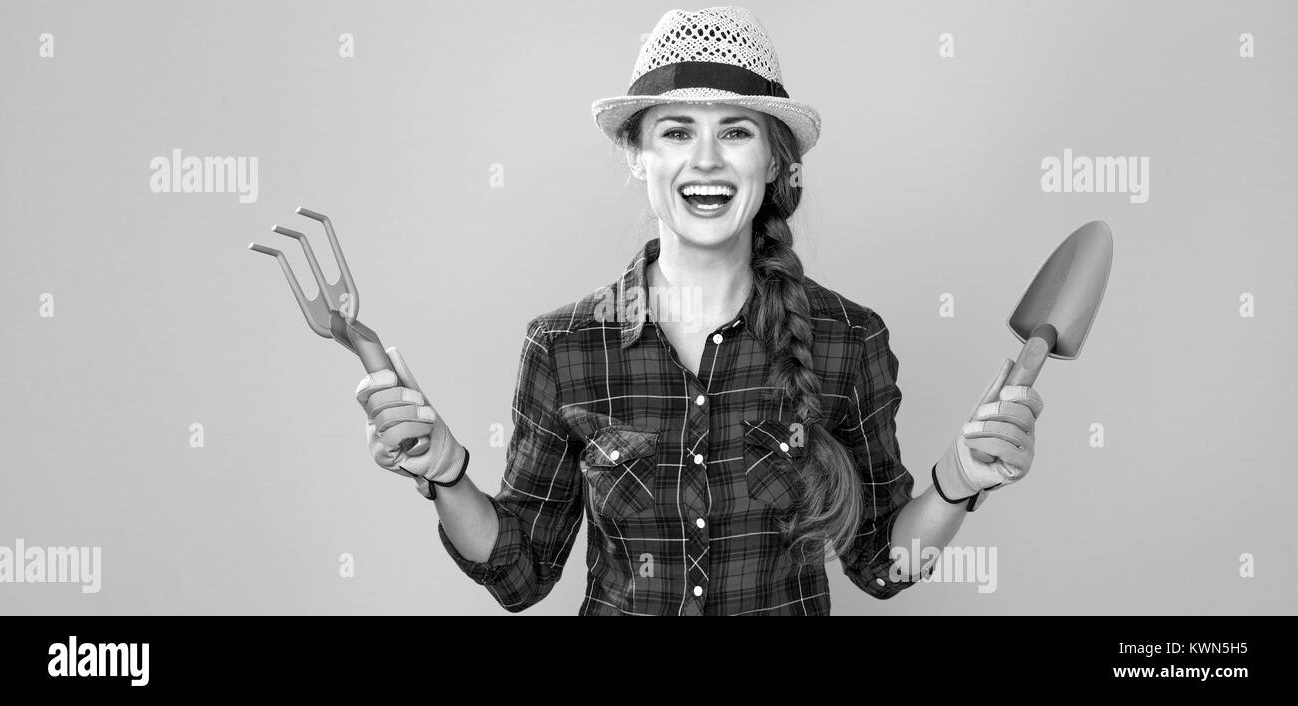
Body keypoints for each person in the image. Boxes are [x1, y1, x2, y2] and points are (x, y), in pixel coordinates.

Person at [354, 6, 1044, 615]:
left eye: (737, 132)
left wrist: (960, 480)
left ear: (774, 162)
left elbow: (885, 567)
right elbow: (521, 577)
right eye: (677, 132)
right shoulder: (563, 348)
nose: (707, 161)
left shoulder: (847, 339)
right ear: (637, 154)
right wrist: (446, 471)